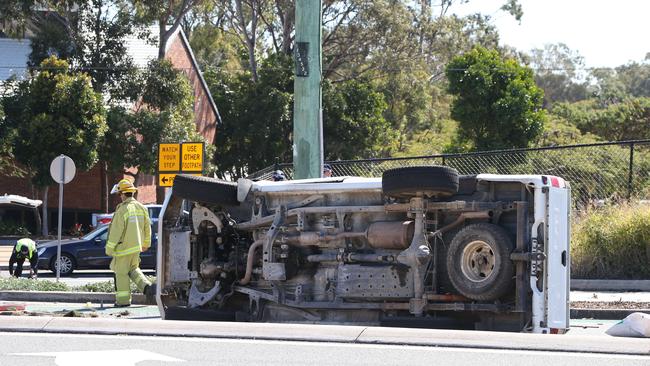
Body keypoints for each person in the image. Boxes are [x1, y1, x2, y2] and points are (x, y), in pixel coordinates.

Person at [106, 179, 155, 307]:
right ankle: (147, 287)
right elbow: (147, 228)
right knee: (133, 269)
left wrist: (109, 249)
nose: (119, 196)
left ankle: (123, 301)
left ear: (122, 194)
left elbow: (116, 232)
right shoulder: (142, 207)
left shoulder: (122, 209)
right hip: (136, 248)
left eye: (119, 194)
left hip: (123, 249)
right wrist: (146, 244)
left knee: (121, 273)